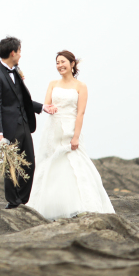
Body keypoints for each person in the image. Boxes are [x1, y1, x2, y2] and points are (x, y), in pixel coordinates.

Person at [26, 50, 115, 220]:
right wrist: (49, 108)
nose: (60, 65)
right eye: (57, 62)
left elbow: (80, 113)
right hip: (53, 129)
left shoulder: (81, 86)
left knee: (74, 163)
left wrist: (75, 136)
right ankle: (50, 206)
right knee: (50, 164)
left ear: (72, 63)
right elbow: (47, 104)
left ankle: (79, 205)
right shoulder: (52, 84)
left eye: (63, 62)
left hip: (70, 128)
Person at [0, 36, 57, 209]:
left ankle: (23, 201)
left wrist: (42, 107)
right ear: (13, 53)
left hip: (24, 125)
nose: (20, 55)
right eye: (19, 51)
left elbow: (21, 100)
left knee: (30, 164)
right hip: (9, 129)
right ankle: (13, 202)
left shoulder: (15, 70)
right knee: (12, 165)